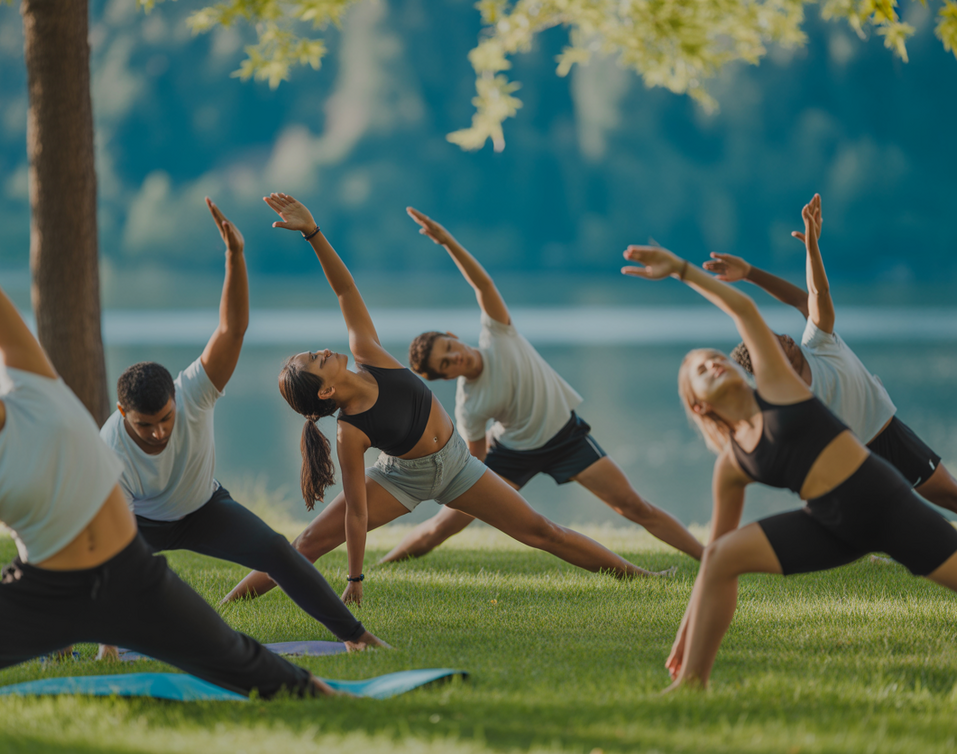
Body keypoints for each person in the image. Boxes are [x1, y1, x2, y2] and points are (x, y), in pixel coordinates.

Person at [0, 199, 331, 698]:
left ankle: (326, 692)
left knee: (241, 661)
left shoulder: (29, 383)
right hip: (46, 592)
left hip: (131, 574)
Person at [222, 194, 670, 606]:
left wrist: (313, 232)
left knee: (542, 531)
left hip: (457, 464)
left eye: (315, 351)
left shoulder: (369, 354)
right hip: (402, 480)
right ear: (325, 391)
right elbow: (356, 513)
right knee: (308, 544)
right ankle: (227, 608)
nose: (323, 351)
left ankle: (641, 577)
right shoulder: (350, 432)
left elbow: (344, 290)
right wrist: (355, 579)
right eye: (317, 361)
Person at [620, 212, 957, 691]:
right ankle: (691, 684)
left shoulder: (779, 387)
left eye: (715, 358)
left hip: (884, 506)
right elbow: (712, 558)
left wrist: (680, 269)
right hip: (830, 527)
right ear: (698, 404)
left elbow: (743, 309)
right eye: (701, 370)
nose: (714, 364)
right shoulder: (732, 465)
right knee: (721, 557)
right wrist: (684, 632)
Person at [97, 199, 385, 659]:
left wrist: (235, 256)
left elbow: (232, 329)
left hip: (202, 508)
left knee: (277, 551)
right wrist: (109, 643)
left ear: (175, 399)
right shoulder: (109, 451)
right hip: (140, 522)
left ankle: (356, 636)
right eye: (144, 426)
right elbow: (114, 550)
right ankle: (69, 637)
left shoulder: (193, 391)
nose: (158, 433)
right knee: (82, 561)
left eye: (166, 419)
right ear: (121, 412)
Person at [379, 208, 703, 564]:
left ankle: (710, 558)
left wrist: (448, 242)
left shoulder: (498, 333)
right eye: (445, 364)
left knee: (634, 506)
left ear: (453, 336)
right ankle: (385, 565)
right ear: (444, 377)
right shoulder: (469, 405)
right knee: (443, 526)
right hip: (512, 455)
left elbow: (483, 285)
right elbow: (475, 460)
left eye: (449, 347)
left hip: (565, 437)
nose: (455, 357)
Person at [704, 193, 957, 511]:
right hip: (854, 466)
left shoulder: (818, 342)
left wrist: (760, 269)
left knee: (950, 495)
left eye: (778, 333)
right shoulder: (788, 399)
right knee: (890, 522)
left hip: (889, 434)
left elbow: (811, 296)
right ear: (768, 361)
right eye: (775, 342)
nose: (785, 337)